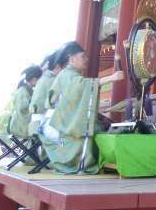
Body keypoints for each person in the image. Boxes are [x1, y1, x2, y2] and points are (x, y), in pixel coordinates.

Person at [38, 42, 123, 174]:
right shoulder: (67, 75)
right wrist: (111, 78)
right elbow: (81, 86)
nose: (86, 60)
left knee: (100, 126)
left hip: (59, 122)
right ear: (71, 59)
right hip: (56, 126)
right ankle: (86, 164)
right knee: (97, 129)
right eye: (83, 57)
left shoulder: (68, 74)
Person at [29, 51, 62, 134]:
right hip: (41, 123)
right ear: (57, 66)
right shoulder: (52, 80)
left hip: (35, 123)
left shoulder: (43, 79)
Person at [8, 66, 42, 139]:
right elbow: (23, 110)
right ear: (34, 79)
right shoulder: (23, 91)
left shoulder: (27, 90)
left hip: (20, 125)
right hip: (20, 127)